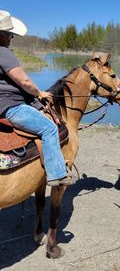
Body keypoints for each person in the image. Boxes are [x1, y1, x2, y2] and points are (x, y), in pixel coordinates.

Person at [0, 10, 72, 186]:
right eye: (9, 34)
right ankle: (56, 175)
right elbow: (24, 81)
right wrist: (39, 93)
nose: (11, 38)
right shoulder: (3, 52)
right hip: (11, 107)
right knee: (49, 128)